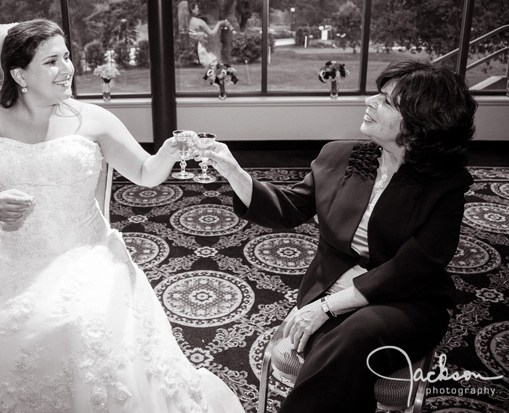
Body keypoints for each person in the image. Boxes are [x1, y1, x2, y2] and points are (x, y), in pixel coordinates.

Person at [0, 19, 245, 413]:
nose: (68, 68)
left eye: (67, 56)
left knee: (76, 326)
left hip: (84, 254)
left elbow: (145, 173)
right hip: (11, 259)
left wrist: (168, 153)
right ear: (20, 74)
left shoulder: (93, 119)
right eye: (52, 61)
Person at [204, 60, 477, 412]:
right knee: (343, 357)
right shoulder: (340, 156)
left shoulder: (445, 185)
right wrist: (233, 171)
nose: (369, 101)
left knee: (354, 334)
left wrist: (325, 307)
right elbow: (287, 208)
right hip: (329, 289)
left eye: (387, 101)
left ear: (420, 125)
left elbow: (414, 267)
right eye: (378, 94)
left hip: (407, 302)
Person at [187, 1, 230, 66]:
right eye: (197, 7)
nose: (198, 9)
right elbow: (212, 34)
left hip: (192, 51)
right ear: (192, 10)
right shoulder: (199, 22)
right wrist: (219, 23)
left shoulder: (187, 22)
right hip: (202, 51)